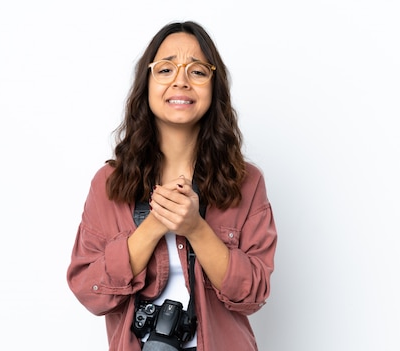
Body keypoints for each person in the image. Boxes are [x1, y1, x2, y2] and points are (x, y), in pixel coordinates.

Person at [66, 21, 277, 351]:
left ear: (214, 86)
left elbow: (252, 294)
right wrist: (153, 225)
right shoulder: (109, 184)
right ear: (146, 84)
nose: (180, 80)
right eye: (165, 69)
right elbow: (89, 290)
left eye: (197, 71)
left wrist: (195, 228)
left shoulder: (246, 182)